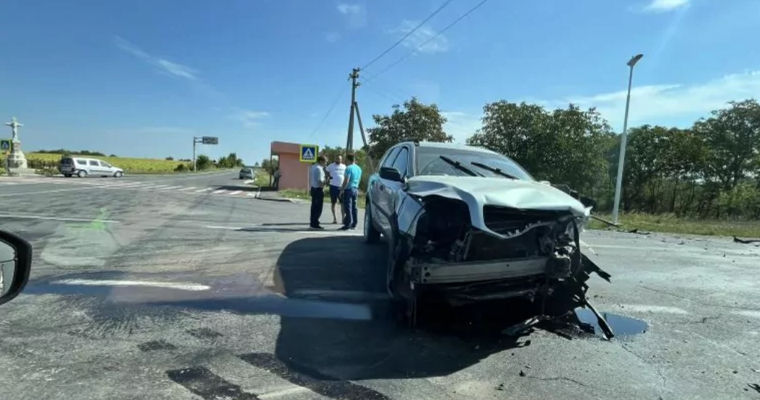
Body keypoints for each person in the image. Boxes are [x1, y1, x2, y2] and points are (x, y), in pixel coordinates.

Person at [339, 153, 362, 230]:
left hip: (349, 189)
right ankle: (354, 223)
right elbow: (358, 179)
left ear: (348, 159)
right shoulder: (359, 168)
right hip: (355, 188)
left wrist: (342, 189)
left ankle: (348, 224)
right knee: (354, 207)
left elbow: (346, 180)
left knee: (348, 207)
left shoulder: (348, 168)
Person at [325, 155, 346, 224]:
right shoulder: (331, 166)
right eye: (337, 158)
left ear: (341, 160)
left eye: (340, 159)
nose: (338, 160)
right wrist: (328, 177)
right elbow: (326, 171)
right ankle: (335, 219)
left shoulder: (344, 166)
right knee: (334, 203)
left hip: (341, 187)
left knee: (343, 203)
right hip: (333, 186)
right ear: (335, 159)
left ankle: (343, 219)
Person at [309, 155, 327, 230]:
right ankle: (315, 223)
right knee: (318, 208)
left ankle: (312, 223)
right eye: (325, 162)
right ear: (321, 161)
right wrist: (326, 182)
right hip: (318, 189)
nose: (326, 163)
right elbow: (320, 182)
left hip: (313, 188)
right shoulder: (319, 169)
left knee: (313, 207)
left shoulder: (313, 167)